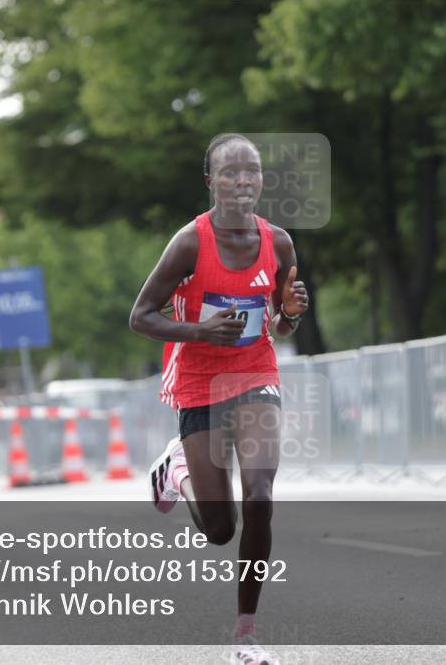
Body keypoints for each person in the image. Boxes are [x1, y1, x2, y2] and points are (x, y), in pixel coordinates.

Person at [130, 133, 309, 665]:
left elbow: (282, 322)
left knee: (260, 497)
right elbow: (141, 316)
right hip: (200, 382)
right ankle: (177, 468)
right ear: (211, 181)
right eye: (229, 173)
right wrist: (200, 331)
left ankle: (245, 636)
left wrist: (293, 311)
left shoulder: (278, 243)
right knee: (219, 529)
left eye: (251, 172)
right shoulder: (189, 242)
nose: (242, 181)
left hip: (256, 372)